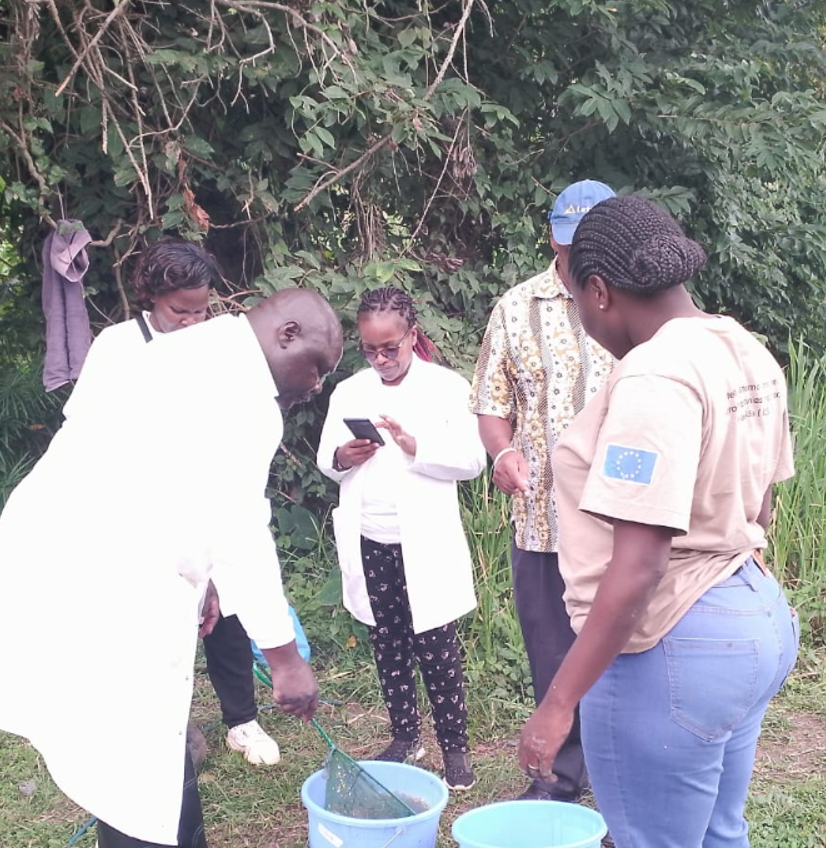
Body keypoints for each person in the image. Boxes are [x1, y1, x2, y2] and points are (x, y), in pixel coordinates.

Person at [0, 288, 344, 848]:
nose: (315, 385)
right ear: (287, 334)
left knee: (138, 752)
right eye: (317, 368)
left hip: (70, 555)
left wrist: (206, 579)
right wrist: (286, 661)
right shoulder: (242, 393)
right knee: (133, 757)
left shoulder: (197, 351)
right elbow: (241, 531)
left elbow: (180, 491)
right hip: (97, 574)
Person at [517, 196, 799, 848]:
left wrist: (557, 706)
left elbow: (639, 564)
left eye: (577, 302)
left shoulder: (656, 373)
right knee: (719, 834)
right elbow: (760, 506)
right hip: (753, 616)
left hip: (670, 641)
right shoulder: (744, 349)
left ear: (599, 291)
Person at [66, 239, 283, 767]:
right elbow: (85, 429)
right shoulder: (118, 347)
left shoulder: (220, 343)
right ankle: (166, 726)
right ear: (151, 296)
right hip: (144, 515)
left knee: (225, 610)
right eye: (179, 311)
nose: (192, 322)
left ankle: (242, 721)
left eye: (201, 310)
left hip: (208, 502)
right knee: (163, 621)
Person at [470, 179, 615, 801]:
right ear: (552, 239)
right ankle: (559, 777)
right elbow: (489, 402)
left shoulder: (638, 301)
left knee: (625, 652)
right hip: (542, 522)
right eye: (565, 246)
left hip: (622, 522)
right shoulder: (516, 306)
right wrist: (501, 451)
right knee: (551, 653)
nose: (574, 259)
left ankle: (622, 784)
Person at [316, 287, 485, 791]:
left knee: (436, 645)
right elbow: (328, 460)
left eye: (391, 347)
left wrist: (417, 446)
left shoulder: (447, 388)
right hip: (371, 535)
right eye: (370, 349)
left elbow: (474, 461)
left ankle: (454, 748)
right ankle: (405, 736)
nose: (382, 359)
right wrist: (346, 456)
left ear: (413, 335)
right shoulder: (349, 391)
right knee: (387, 641)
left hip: (424, 541)